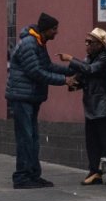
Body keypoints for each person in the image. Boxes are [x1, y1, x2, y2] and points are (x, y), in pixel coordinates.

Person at [5, 12, 77, 189]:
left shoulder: (39, 42)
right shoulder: (30, 44)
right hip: (22, 98)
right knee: (26, 138)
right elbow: (36, 72)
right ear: (45, 30)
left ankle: (33, 175)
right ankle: (22, 177)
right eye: (54, 29)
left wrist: (71, 70)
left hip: (30, 97)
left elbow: (47, 66)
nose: (57, 32)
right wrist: (64, 80)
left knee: (33, 137)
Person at [57, 27, 106, 185]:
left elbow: (90, 71)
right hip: (91, 105)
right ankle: (94, 171)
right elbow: (83, 75)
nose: (87, 44)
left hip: (104, 106)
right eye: (86, 41)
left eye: (90, 42)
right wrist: (74, 83)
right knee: (91, 141)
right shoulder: (88, 58)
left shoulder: (105, 58)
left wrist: (71, 59)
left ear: (100, 44)